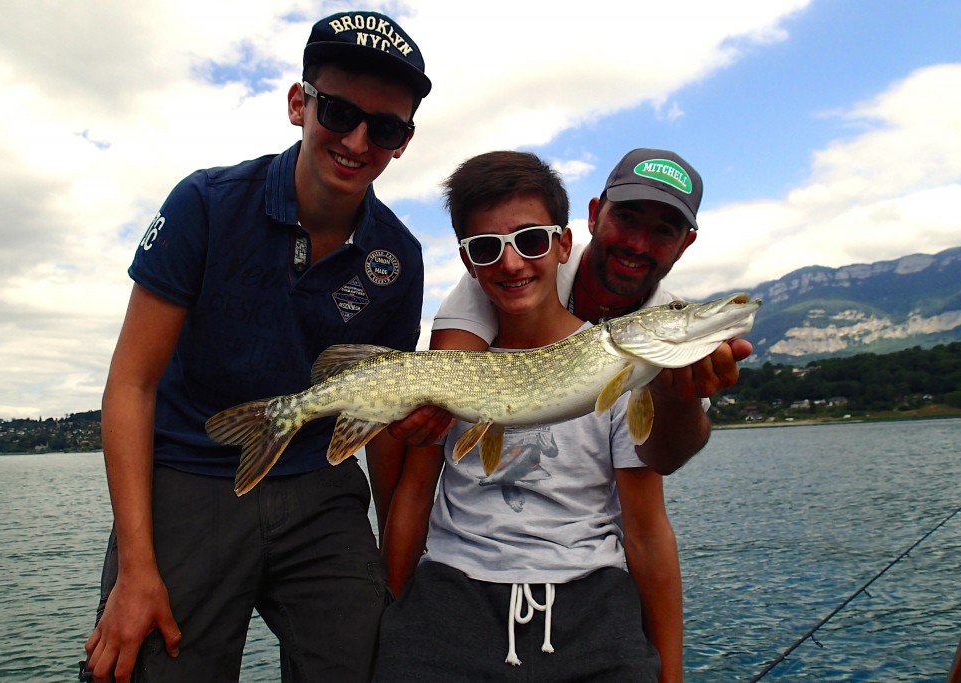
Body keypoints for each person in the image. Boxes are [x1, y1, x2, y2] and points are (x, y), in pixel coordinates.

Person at [82, 11, 433, 683]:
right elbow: (130, 384)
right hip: (189, 470)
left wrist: (392, 565)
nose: (358, 141)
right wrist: (136, 569)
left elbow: (385, 426)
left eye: (384, 127)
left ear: (404, 141)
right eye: (338, 111)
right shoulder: (206, 204)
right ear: (300, 104)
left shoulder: (399, 257)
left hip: (318, 480)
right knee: (143, 661)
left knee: (375, 659)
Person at [375, 151, 682, 681]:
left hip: (593, 613)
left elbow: (647, 529)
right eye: (488, 248)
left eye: (532, 241)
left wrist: (671, 673)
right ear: (469, 262)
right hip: (450, 602)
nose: (512, 263)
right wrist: (395, 612)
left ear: (563, 244)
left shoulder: (624, 363)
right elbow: (414, 491)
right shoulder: (457, 360)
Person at [430, 147, 752, 475]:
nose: (638, 244)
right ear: (594, 215)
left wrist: (681, 399)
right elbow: (446, 389)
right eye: (627, 218)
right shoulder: (516, 269)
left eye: (664, 230)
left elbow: (663, 461)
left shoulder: (668, 319)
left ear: (685, 244)